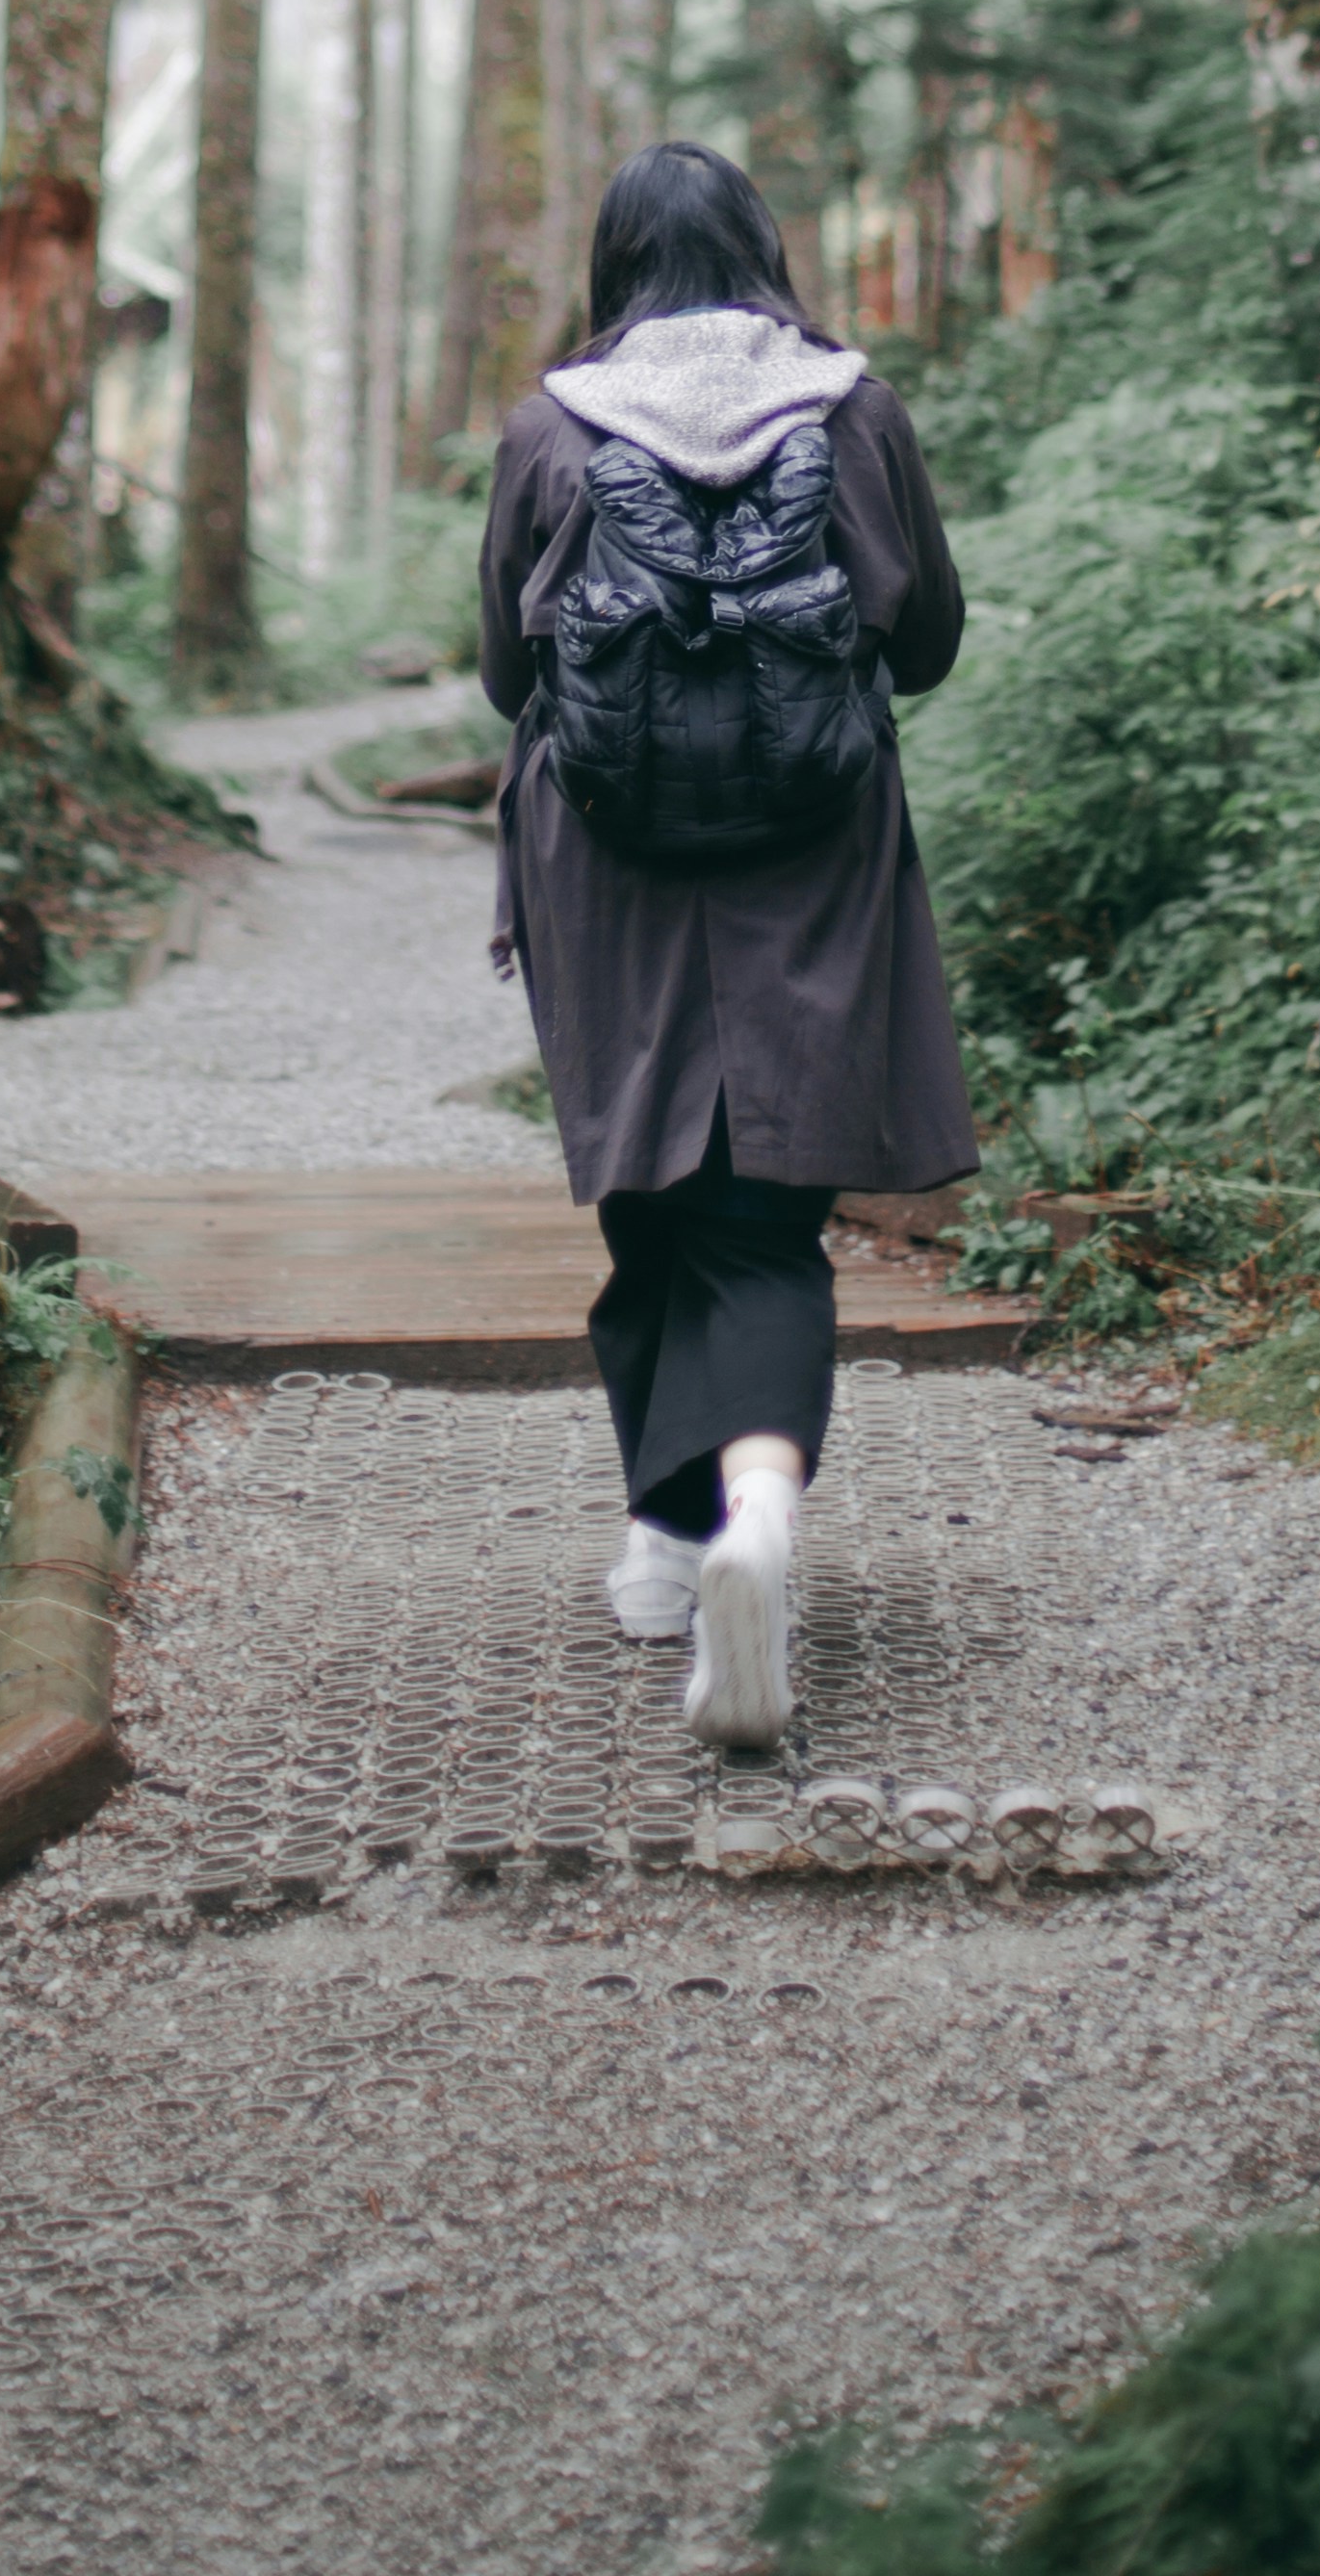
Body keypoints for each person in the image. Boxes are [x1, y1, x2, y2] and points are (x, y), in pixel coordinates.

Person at [477, 140, 974, 1753]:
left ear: (615, 265)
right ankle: (750, 1516)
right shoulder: (855, 412)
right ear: (764, 250)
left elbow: (505, 670)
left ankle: (668, 1537)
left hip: (605, 872)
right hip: (812, 862)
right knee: (765, 1230)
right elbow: (934, 643)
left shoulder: (552, 427)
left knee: (651, 1199)